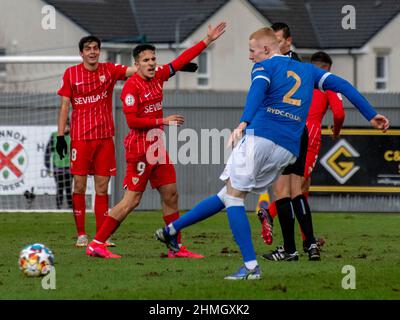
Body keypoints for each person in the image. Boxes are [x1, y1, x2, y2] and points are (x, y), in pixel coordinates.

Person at [154, 27, 389, 280]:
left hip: (260, 138)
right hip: (288, 149)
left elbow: (257, 91)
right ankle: (172, 230)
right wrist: (370, 113)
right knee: (228, 193)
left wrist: (243, 122)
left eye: (251, 51)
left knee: (234, 198)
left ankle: (251, 267)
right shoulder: (307, 69)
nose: (249, 56)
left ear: (266, 49)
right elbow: (341, 84)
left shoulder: (264, 67)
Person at [85, 22, 227, 259]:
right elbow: (133, 122)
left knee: (171, 194)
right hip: (140, 149)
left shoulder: (159, 76)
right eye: (146, 60)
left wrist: (207, 40)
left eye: (153, 59)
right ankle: (97, 243)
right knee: (131, 201)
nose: (151, 63)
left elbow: (181, 60)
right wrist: (162, 121)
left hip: (157, 148)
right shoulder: (131, 88)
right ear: (136, 64)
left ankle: (175, 247)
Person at [259, 51, 346, 259]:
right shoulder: (326, 84)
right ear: (327, 69)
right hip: (309, 135)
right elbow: (340, 113)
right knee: (296, 189)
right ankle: (276, 220)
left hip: (285, 128)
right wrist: (336, 131)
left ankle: (305, 242)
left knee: (295, 188)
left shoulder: (289, 80)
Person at [57, 35, 140, 247]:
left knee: (102, 188)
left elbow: (136, 70)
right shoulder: (71, 74)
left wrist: (175, 67)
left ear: (99, 51)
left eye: (95, 48)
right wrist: (60, 136)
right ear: (81, 53)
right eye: (88, 48)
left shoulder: (109, 70)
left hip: (104, 139)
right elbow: (65, 105)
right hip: (80, 138)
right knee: (79, 185)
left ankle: (102, 236)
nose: (92, 51)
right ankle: (82, 235)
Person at [257, 22, 320, 261]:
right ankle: (311, 245)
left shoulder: (274, 66)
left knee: (281, 191)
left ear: (288, 42)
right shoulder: (301, 66)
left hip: (282, 132)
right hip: (299, 130)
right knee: (297, 191)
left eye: (277, 40)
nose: (273, 44)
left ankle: (290, 250)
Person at [45, 120, 73, 209]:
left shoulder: (73, 136)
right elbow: (48, 151)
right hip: (58, 167)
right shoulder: (54, 136)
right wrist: (47, 165)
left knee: (69, 189)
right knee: (59, 188)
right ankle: (58, 207)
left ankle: (70, 207)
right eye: (64, 126)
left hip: (69, 168)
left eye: (67, 126)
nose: (66, 128)